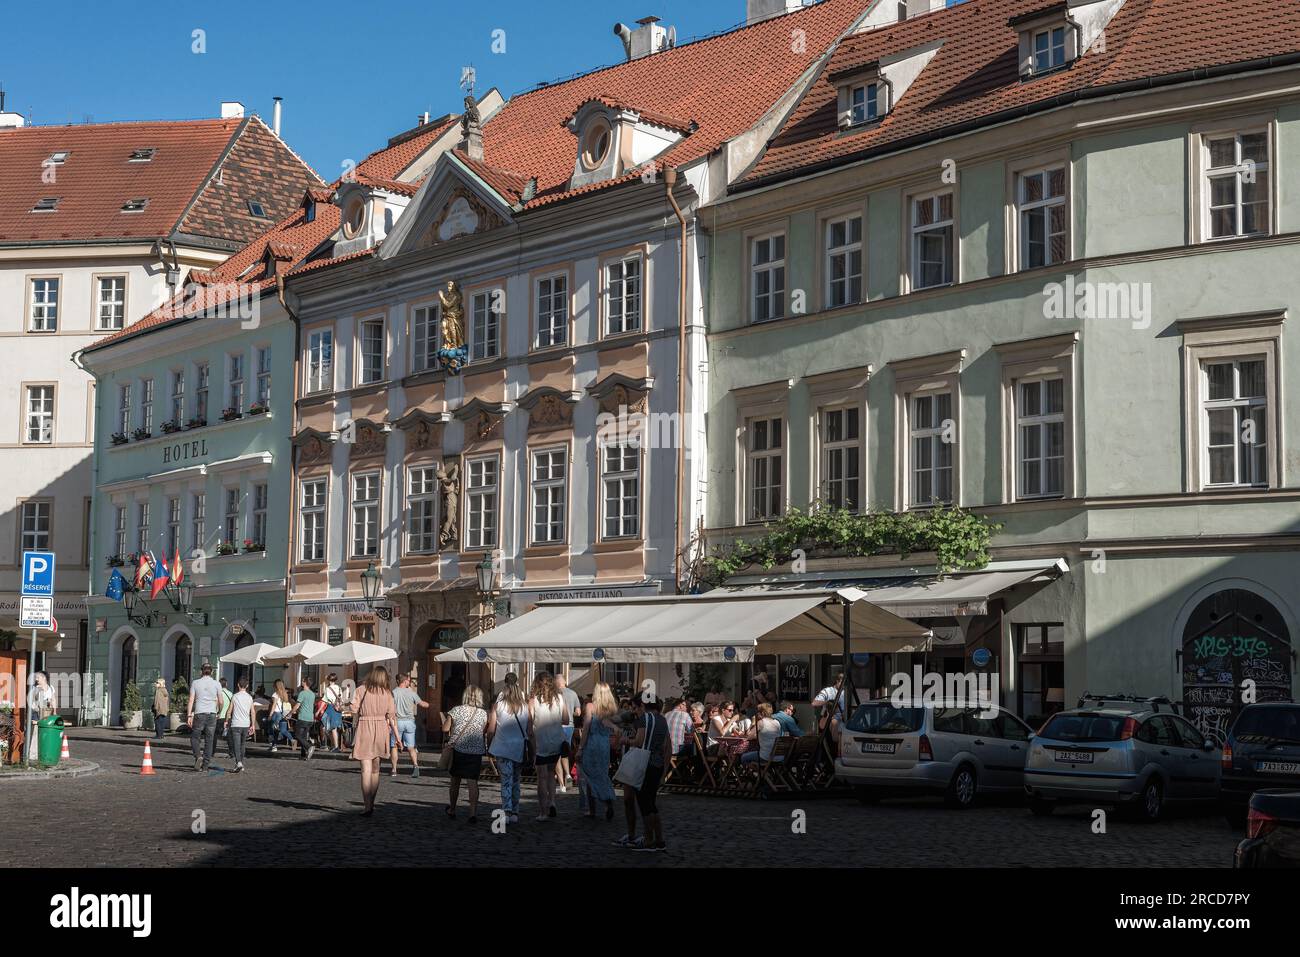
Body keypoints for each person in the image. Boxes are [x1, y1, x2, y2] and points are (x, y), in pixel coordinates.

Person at [613, 696, 671, 852]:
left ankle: (648, 840)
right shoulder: (662, 719)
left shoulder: (644, 718)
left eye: (635, 707)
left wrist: (625, 741)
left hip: (644, 764)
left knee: (644, 803)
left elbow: (639, 741)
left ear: (643, 705)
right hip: (657, 763)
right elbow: (666, 745)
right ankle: (659, 840)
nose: (634, 710)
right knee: (651, 804)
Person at [350, 666, 401, 816]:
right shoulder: (387, 693)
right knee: (375, 769)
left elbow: (353, 709)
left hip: (365, 727)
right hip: (381, 729)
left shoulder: (361, 689)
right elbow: (392, 715)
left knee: (365, 769)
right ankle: (372, 802)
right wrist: (398, 737)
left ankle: (367, 805)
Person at [486, 672, 529, 824]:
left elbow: (491, 729)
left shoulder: (498, 705)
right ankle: (515, 812)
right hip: (518, 748)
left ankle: (507, 810)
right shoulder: (525, 707)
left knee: (506, 781)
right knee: (516, 781)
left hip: (502, 747)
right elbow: (529, 730)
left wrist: (489, 745)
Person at [442, 685, 488, 823]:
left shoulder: (456, 710)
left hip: (459, 749)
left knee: (455, 780)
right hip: (476, 751)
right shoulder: (483, 713)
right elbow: (484, 730)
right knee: (472, 782)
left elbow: (445, 728)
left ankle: (452, 809)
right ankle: (472, 813)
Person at [575, 682, 619, 820]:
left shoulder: (590, 706)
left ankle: (592, 809)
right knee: (601, 774)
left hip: (592, 744)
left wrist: (580, 748)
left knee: (588, 776)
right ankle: (607, 802)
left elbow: (587, 728)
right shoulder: (611, 709)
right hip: (604, 745)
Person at [528, 672, 568, 821]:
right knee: (552, 774)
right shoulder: (559, 698)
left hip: (541, 743)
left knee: (541, 778)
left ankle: (543, 812)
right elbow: (565, 719)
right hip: (556, 742)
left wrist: (531, 746)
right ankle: (552, 802)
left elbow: (529, 728)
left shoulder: (533, 701)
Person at [389, 673, 429, 778]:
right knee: (411, 747)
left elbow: (390, 708)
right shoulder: (411, 692)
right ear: (405, 681)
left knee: (394, 746)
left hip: (397, 722)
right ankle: (415, 766)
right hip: (410, 722)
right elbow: (422, 704)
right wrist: (429, 704)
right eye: (408, 680)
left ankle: (394, 769)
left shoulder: (393, 693)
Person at [186, 662, 221, 771]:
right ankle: (205, 765)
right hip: (212, 714)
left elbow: (191, 700)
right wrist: (218, 711)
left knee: (195, 737)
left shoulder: (195, 683)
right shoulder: (217, 684)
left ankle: (198, 756)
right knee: (209, 740)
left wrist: (189, 715)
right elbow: (221, 701)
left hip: (199, 713)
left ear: (201, 671)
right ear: (212, 672)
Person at [555, 673, 582, 794]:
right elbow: (578, 712)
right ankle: (568, 775)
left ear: (556, 682)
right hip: (570, 726)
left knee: (557, 755)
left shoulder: (554, 694)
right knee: (565, 752)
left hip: (558, 726)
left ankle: (562, 785)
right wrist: (570, 713)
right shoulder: (573, 693)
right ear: (565, 682)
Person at [225, 677, 256, 772]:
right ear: (247, 686)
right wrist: (253, 724)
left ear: (238, 685)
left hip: (236, 724)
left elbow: (229, 711)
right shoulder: (250, 697)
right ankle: (241, 763)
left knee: (236, 745)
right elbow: (253, 712)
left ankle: (238, 762)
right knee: (242, 745)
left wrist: (226, 721)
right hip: (245, 724)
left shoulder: (235, 696)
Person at [320, 673, 344, 752]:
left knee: (331, 728)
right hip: (338, 709)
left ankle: (336, 746)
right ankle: (334, 745)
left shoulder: (328, 689)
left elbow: (324, 700)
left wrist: (319, 711)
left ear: (329, 680)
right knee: (333, 728)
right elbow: (342, 699)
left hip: (331, 708)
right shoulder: (339, 688)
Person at [267, 680, 294, 752]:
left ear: (276, 686)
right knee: (283, 730)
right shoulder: (285, 694)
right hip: (283, 714)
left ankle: (274, 746)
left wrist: (270, 715)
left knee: (274, 730)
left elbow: (274, 705)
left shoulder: (275, 694)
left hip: (276, 714)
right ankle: (293, 740)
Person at [294, 677, 317, 761]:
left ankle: (309, 747)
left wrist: (291, 712)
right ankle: (303, 755)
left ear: (305, 683)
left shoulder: (302, 693)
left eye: (303, 681)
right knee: (303, 737)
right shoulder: (312, 694)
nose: (301, 682)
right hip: (310, 718)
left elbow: (297, 705)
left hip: (302, 717)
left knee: (297, 735)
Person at [215, 677, 234, 742]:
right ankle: (231, 751)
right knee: (229, 736)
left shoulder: (217, 694)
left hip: (218, 716)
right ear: (226, 684)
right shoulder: (231, 694)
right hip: (228, 717)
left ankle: (212, 750)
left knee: (214, 735)